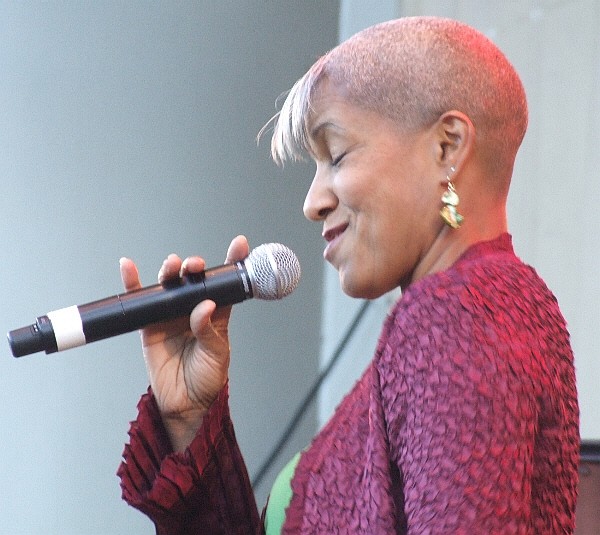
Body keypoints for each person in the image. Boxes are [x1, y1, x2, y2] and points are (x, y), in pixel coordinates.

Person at [117, 16, 579, 534]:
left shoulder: (461, 316)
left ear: (448, 147)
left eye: (335, 155)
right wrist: (188, 417)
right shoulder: (491, 311)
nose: (313, 202)